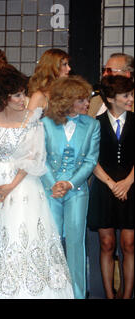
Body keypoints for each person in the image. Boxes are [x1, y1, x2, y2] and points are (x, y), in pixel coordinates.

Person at [0, 66, 73, 299]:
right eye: (17, 95)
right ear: (3, 96)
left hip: (23, 185)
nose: (23, 99)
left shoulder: (32, 118)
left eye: (24, 93)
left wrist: (10, 186)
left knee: (22, 234)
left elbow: (34, 158)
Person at [40, 76, 100, 299]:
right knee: (51, 241)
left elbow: (91, 161)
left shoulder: (93, 125)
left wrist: (70, 183)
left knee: (76, 242)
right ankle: (50, 292)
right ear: (67, 101)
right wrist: (53, 183)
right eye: (82, 100)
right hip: (50, 190)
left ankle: (77, 294)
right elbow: (40, 156)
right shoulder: (45, 124)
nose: (87, 104)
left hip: (77, 191)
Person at [88, 75, 134, 299]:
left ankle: (126, 295)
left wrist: (126, 183)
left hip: (131, 187)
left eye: (131, 94)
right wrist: (111, 183)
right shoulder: (94, 124)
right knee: (106, 243)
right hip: (104, 188)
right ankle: (108, 294)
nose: (131, 99)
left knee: (129, 244)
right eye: (126, 95)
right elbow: (90, 159)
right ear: (111, 98)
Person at [88, 53, 134, 118]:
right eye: (104, 70)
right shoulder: (96, 99)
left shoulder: (131, 100)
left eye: (109, 70)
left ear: (127, 74)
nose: (104, 74)